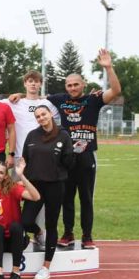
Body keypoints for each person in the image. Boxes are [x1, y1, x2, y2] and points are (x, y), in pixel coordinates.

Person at [47, 50, 122, 248]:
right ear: (65, 87)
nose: (72, 88)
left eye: (76, 84)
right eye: (69, 85)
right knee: (67, 198)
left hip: (87, 156)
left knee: (86, 198)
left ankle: (87, 236)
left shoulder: (93, 99)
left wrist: (108, 67)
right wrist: (18, 95)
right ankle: (68, 233)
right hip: (66, 157)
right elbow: (35, 98)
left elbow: (116, 90)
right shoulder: (59, 99)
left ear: (83, 85)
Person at [22, 106, 74, 279]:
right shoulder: (32, 135)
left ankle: (46, 267)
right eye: (38, 116)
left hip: (55, 185)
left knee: (51, 224)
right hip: (34, 186)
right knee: (25, 221)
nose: (41, 118)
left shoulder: (63, 135)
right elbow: (24, 160)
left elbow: (69, 164)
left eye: (43, 114)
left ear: (50, 114)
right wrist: (22, 178)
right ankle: (38, 232)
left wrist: (73, 153)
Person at [0, 160, 40, 279]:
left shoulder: (12, 188)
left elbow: (36, 197)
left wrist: (21, 176)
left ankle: (15, 273)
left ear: (5, 176)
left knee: (15, 226)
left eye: (1, 173)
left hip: (16, 239)